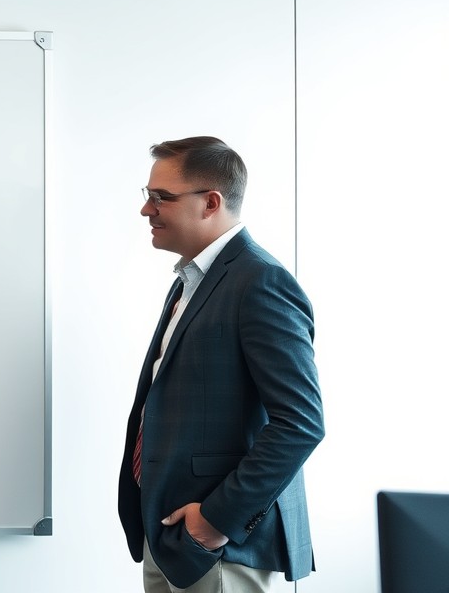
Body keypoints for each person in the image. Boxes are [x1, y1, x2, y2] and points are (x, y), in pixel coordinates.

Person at [118, 137, 324, 592]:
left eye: (161, 197)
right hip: (170, 531)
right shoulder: (191, 281)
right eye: (147, 195)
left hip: (220, 543)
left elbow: (301, 423)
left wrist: (215, 522)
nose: (146, 210)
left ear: (211, 202)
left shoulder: (261, 281)